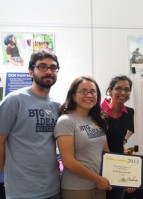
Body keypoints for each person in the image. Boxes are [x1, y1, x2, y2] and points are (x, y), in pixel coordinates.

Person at [0, 50, 61, 199]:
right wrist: (6, 173)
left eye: (53, 67)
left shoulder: (56, 106)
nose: (48, 71)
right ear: (30, 72)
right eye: (42, 66)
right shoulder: (14, 101)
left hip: (53, 188)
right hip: (22, 191)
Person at [54, 76, 112, 199]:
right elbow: (68, 161)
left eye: (93, 91)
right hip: (76, 188)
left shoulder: (98, 120)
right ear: (74, 96)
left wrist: (120, 176)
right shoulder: (66, 121)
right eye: (83, 91)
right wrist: (98, 179)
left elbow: (106, 153)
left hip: (99, 185)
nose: (89, 95)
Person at [101, 75, 135, 199]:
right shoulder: (97, 111)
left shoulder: (130, 112)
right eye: (118, 88)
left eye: (127, 89)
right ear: (110, 90)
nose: (123, 92)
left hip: (118, 166)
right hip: (97, 168)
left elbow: (133, 128)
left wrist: (124, 140)